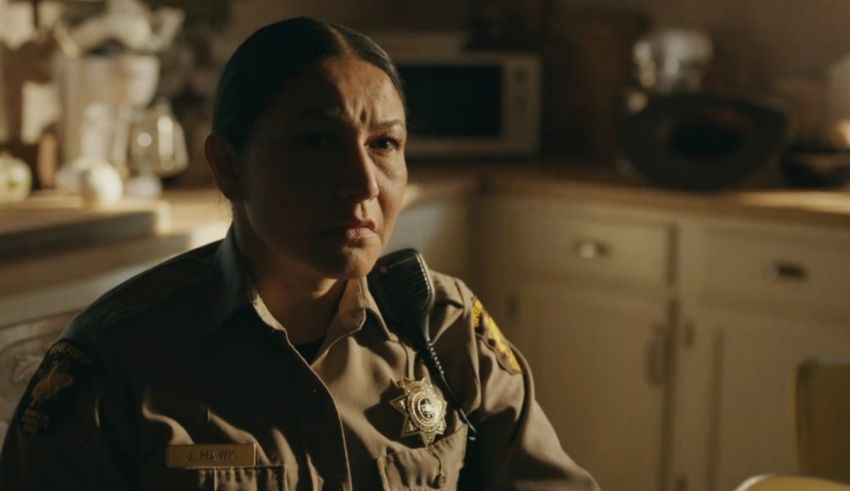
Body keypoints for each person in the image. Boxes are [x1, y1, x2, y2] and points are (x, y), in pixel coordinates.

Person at [0, 17, 600, 491]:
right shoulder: (119, 362)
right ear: (228, 167)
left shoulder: (442, 329)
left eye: (384, 143)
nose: (363, 183)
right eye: (316, 142)